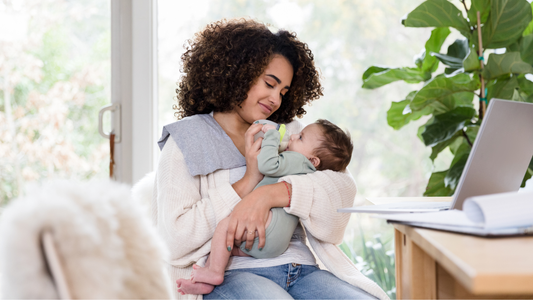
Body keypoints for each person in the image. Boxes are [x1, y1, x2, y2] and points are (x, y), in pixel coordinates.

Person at [153, 18, 389, 300]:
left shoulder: (290, 133)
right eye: (269, 83)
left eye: (283, 91)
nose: (275, 99)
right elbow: (175, 240)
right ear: (238, 72)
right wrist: (247, 183)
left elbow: (342, 192)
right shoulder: (187, 140)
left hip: (302, 269)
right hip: (234, 274)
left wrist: (272, 195)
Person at [177, 119, 354, 295]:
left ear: (314, 160)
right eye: (269, 87)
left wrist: (272, 136)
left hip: (270, 236)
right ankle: (208, 279)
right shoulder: (308, 165)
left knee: (225, 228)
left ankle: (214, 271)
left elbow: (268, 164)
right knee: (229, 244)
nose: (292, 136)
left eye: (300, 137)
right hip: (275, 244)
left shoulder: (297, 160)